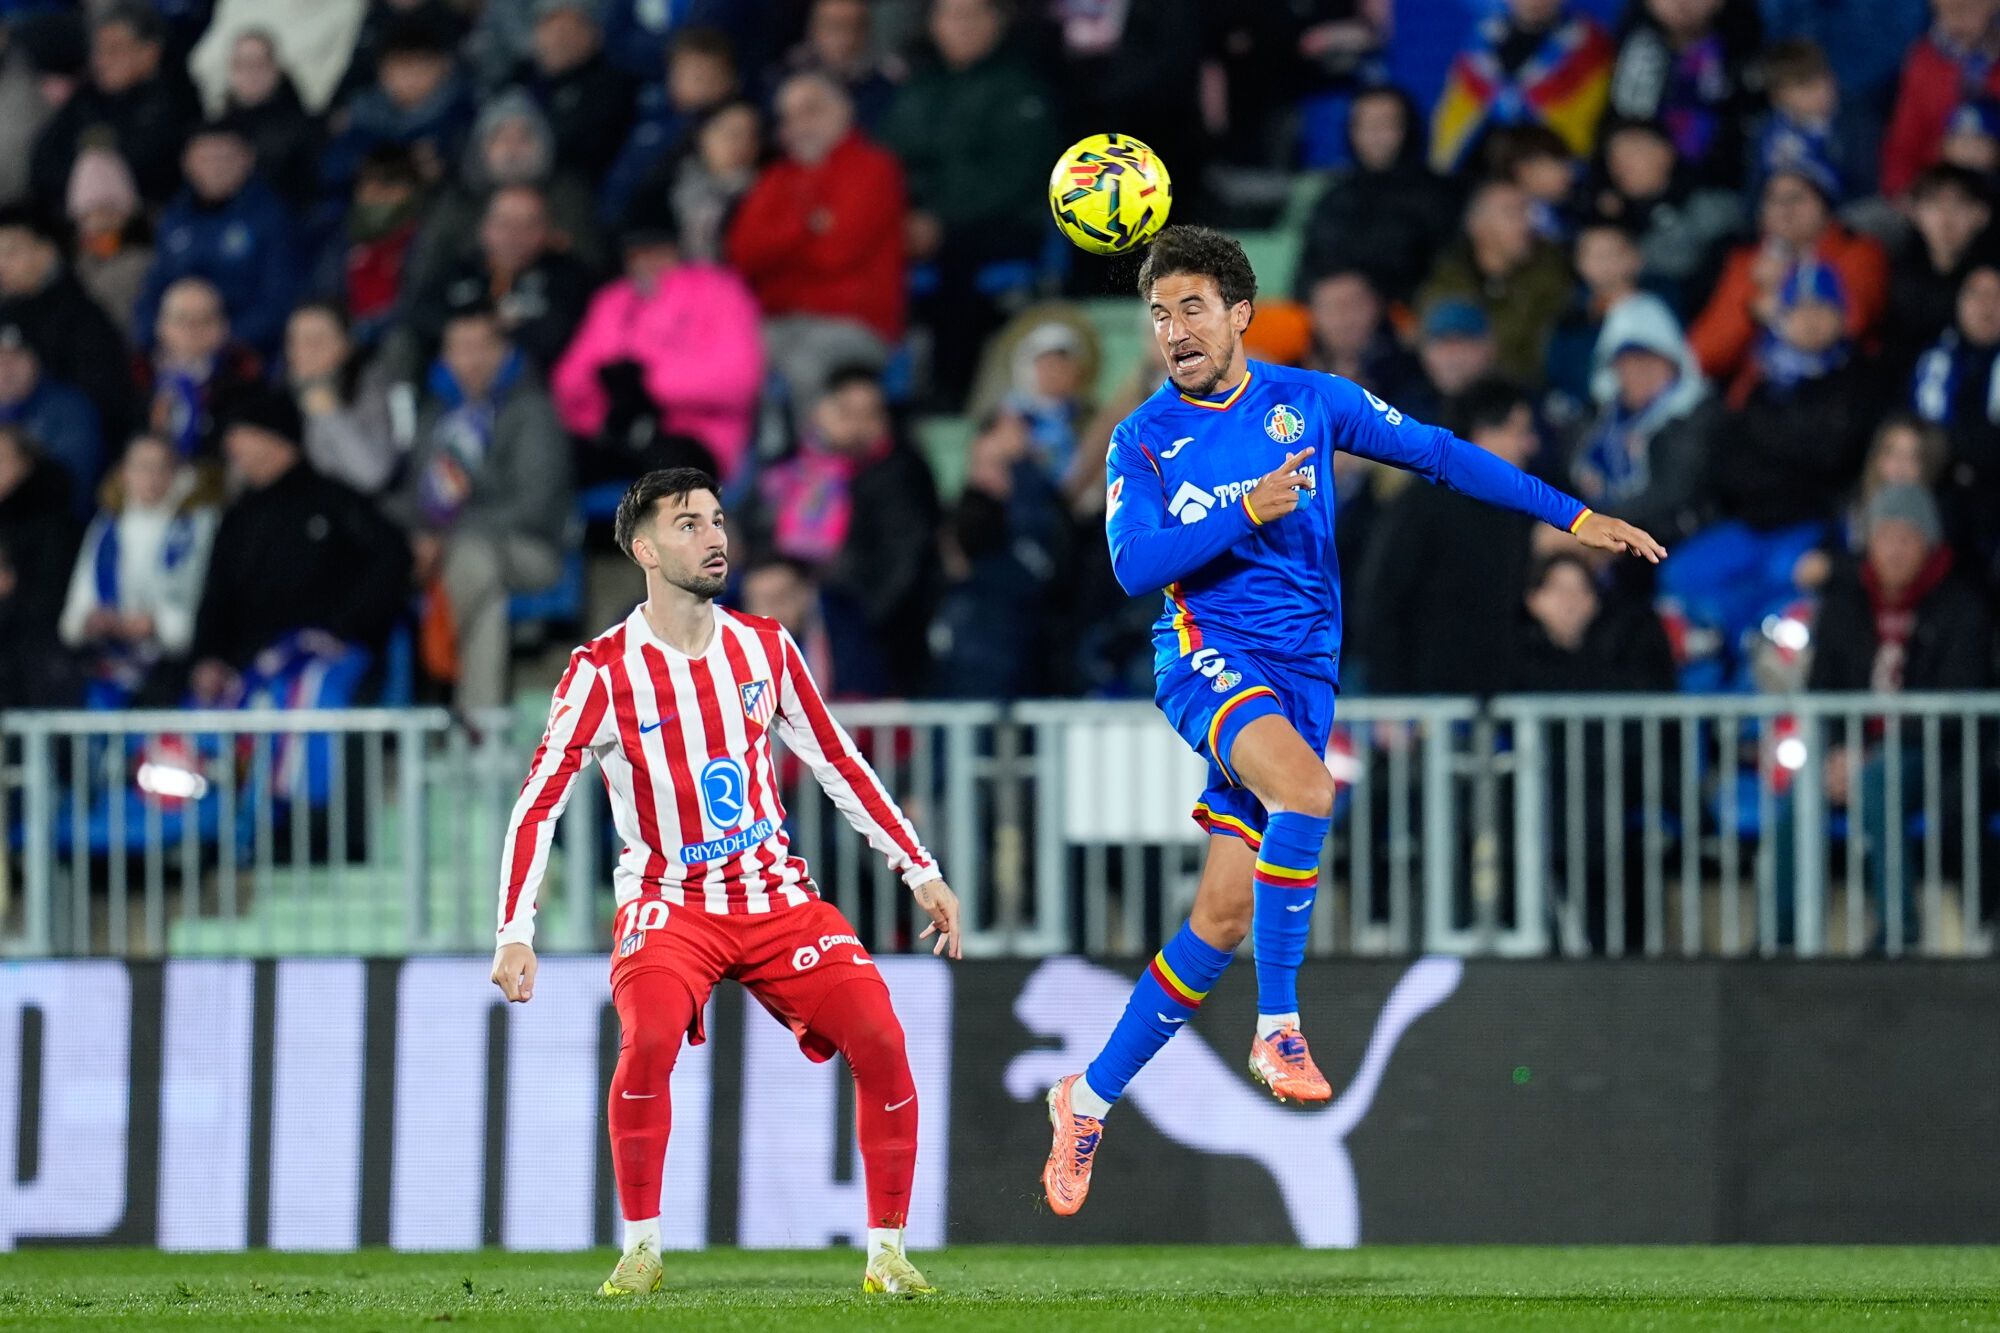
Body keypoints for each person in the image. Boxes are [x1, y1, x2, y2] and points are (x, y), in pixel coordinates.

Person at [1038, 226, 1663, 1215]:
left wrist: (1570, 517)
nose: (1174, 331)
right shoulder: (1142, 437)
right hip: (1205, 662)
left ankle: (1087, 1093)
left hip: (1301, 679)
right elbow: (1133, 566)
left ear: (1241, 312)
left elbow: (1441, 454)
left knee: (1221, 915)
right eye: (1158, 315)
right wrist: (1242, 510)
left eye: (1191, 308)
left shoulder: (1307, 403)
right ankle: (1276, 1022)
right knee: (1307, 787)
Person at [487, 466, 961, 1299]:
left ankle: (887, 1254)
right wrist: (514, 929)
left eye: (716, 520)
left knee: (883, 1038)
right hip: (670, 907)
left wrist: (917, 865)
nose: (714, 538)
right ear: (643, 548)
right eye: (688, 524)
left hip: (777, 900)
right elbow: (538, 803)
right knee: (650, 1039)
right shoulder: (602, 670)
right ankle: (640, 1247)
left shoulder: (764, 645)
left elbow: (837, 759)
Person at [1772, 485, 1993, 948]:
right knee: (1802, 785)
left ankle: (1898, 931)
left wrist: (1865, 756)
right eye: (1884, 536)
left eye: (1906, 537)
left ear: (1927, 543)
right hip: (1853, 749)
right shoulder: (1845, 605)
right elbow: (1821, 693)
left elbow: (1954, 705)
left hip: (1932, 753)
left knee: (1878, 780)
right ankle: (1782, 933)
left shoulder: (1961, 608)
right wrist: (1834, 752)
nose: (1893, 549)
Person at [387, 303, 572, 711]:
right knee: (477, 589)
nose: (468, 360)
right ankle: (473, 730)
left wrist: (445, 539)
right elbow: (414, 497)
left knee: (470, 560)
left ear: (503, 351)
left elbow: (534, 508)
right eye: (457, 349)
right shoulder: (436, 417)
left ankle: (455, 713)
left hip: (527, 550)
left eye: (479, 347)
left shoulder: (532, 411)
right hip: (450, 556)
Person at [879, 0, 1060, 401]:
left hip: (1002, 224)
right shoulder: (918, 88)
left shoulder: (1021, 85)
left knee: (956, 260)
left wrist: (939, 222)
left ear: (997, 22)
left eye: (973, 16)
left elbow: (1015, 176)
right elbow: (891, 163)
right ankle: (865, 391)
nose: (961, 27)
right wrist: (907, 216)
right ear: (933, 25)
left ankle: (949, 392)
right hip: (917, 224)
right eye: (950, 16)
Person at [188, 387, 409, 702]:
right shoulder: (237, 517)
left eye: (242, 433)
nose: (231, 444)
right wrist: (207, 657)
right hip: (246, 670)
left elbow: (392, 556)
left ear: (274, 437)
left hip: (323, 665)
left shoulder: (333, 500)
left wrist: (343, 628)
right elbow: (215, 596)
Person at [725, 70, 906, 406]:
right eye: (789, 116)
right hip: (777, 319)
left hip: (853, 322)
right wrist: (807, 225)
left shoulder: (874, 168)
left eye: (811, 110)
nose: (798, 125)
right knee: (724, 360)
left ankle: (816, 460)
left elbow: (836, 254)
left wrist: (780, 247)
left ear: (843, 112)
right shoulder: (777, 177)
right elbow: (744, 255)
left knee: (805, 367)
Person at [552, 200, 764, 483]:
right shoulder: (613, 299)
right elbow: (568, 381)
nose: (645, 260)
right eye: (636, 252)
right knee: (550, 459)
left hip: (696, 436)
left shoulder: (719, 291)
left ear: (676, 248)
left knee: (665, 470)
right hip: (614, 431)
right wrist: (609, 388)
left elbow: (738, 380)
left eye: (656, 249)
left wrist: (649, 383)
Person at [58, 432, 219, 707]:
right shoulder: (104, 529)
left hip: (173, 672)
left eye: (162, 467)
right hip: (109, 668)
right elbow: (73, 616)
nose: (152, 477)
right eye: (142, 467)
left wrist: (157, 624)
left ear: (178, 474)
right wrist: (92, 620)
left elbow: (207, 607)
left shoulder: (199, 526)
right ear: (124, 473)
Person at [135, 125, 297, 359]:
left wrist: (224, 340)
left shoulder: (272, 217)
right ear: (187, 163)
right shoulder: (174, 218)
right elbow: (153, 288)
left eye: (225, 157)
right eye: (205, 158)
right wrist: (154, 335)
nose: (216, 167)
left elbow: (279, 299)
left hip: (246, 355)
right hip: (174, 351)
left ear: (247, 159)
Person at [1295, 86, 1458, 309]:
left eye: (1385, 125)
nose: (1376, 136)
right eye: (1366, 125)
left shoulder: (1440, 197)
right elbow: (1307, 278)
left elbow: (1447, 276)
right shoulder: (1333, 200)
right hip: (1337, 321)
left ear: (1408, 129)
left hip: (1409, 320)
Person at [29, 3, 198, 207]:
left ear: (150, 52)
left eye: (114, 50)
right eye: (98, 51)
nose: (101, 62)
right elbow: (43, 162)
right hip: (70, 217)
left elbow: (152, 167)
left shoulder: (177, 100)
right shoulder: (87, 96)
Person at [0, 205, 139, 447]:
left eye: (12, 252)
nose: (2, 264)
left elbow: (102, 407)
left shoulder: (84, 318)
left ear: (47, 252)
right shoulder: (7, 312)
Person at [1416, 178, 1575, 384]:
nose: (1526, 223)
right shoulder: (1445, 282)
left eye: (1526, 212)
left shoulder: (1552, 278)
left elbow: (1543, 356)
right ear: (1477, 225)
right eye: (1511, 213)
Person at [1430, 0, 1615, 173]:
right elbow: (1453, 121)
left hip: (1552, 171)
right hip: (1479, 173)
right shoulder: (1479, 42)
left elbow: (1585, 125)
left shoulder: (1589, 46)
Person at [598, 25, 739, 227]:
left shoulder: (727, 127)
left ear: (729, 80)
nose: (698, 83)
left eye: (707, 74)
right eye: (688, 72)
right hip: (625, 231)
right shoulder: (651, 121)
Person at [136, 277, 264, 465]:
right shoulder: (137, 374)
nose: (192, 329)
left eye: (205, 320)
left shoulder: (244, 375)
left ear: (224, 328)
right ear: (161, 326)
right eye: (181, 319)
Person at [510, 0, 637, 188]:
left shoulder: (611, 86)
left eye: (567, 31)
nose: (557, 40)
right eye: (550, 29)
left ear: (594, 35)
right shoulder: (519, 78)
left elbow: (588, 148)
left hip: (572, 187)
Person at [1882, 0, 2000, 198]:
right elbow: (1902, 150)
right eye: (1949, 6)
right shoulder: (1924, 60)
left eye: (1969, 6)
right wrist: (1942, 151)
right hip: (1940, 195)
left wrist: (1995, 153)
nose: (1959, 13)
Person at [0, 424, 82, 708]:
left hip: (34, 673)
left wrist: (12, 589)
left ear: (26, 464)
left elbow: (50, 597)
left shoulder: (52, 523)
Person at [285, 301, 399, 495]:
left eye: (315, 341)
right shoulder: (283, 394)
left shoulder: (371, 388)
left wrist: (330, 414)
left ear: (346, 345)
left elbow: (373, 475)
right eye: (294, 341)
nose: (302, 352)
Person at [65, 147, 152, 341]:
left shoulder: (143, 263)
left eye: (108, 211)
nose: (99, 222)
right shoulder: (75, 265)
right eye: (88, 213)